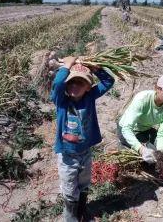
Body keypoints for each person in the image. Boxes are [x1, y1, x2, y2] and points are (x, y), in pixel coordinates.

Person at [51, 56, 115, 222]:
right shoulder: (62, 102)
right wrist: (67, 66)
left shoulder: (90, 98)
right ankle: (70, 214)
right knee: (69, 185)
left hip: (85, 152)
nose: (75, 85)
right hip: (67, 156)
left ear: (88, 87)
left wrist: (95, 68)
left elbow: (109, 81)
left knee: (84, 183)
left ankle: (82, 208)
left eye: (81, 83)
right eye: (71, 82)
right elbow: (57, 85)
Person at [117, 73, 163, 163]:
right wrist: (141, 149)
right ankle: (121, 146)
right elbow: (126, 128)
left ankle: (145, 147)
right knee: (149, 158)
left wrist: (161, 153)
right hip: (127, 130)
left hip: (145, 129)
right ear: (157, 88)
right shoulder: (142, 99)